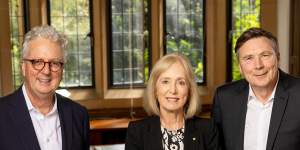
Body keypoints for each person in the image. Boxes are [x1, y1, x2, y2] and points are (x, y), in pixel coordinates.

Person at [0, 25, 89, 150]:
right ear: (23, 68)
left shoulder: (79, 116)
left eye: (54, 63)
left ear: (62, 69)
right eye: (37, 62)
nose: (46, 71)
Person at [212, 27, 300, 150]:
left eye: (265, 55)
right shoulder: (224, 98)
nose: (258, 65)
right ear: (240, 67)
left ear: (278, 58)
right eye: (248, 58)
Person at [125, 53, 220, 150]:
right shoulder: (137, 132)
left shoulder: (208, 130)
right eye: (165, 81)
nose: (173, 90)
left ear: (190, 90)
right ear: (155, 89)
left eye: (181, 82)